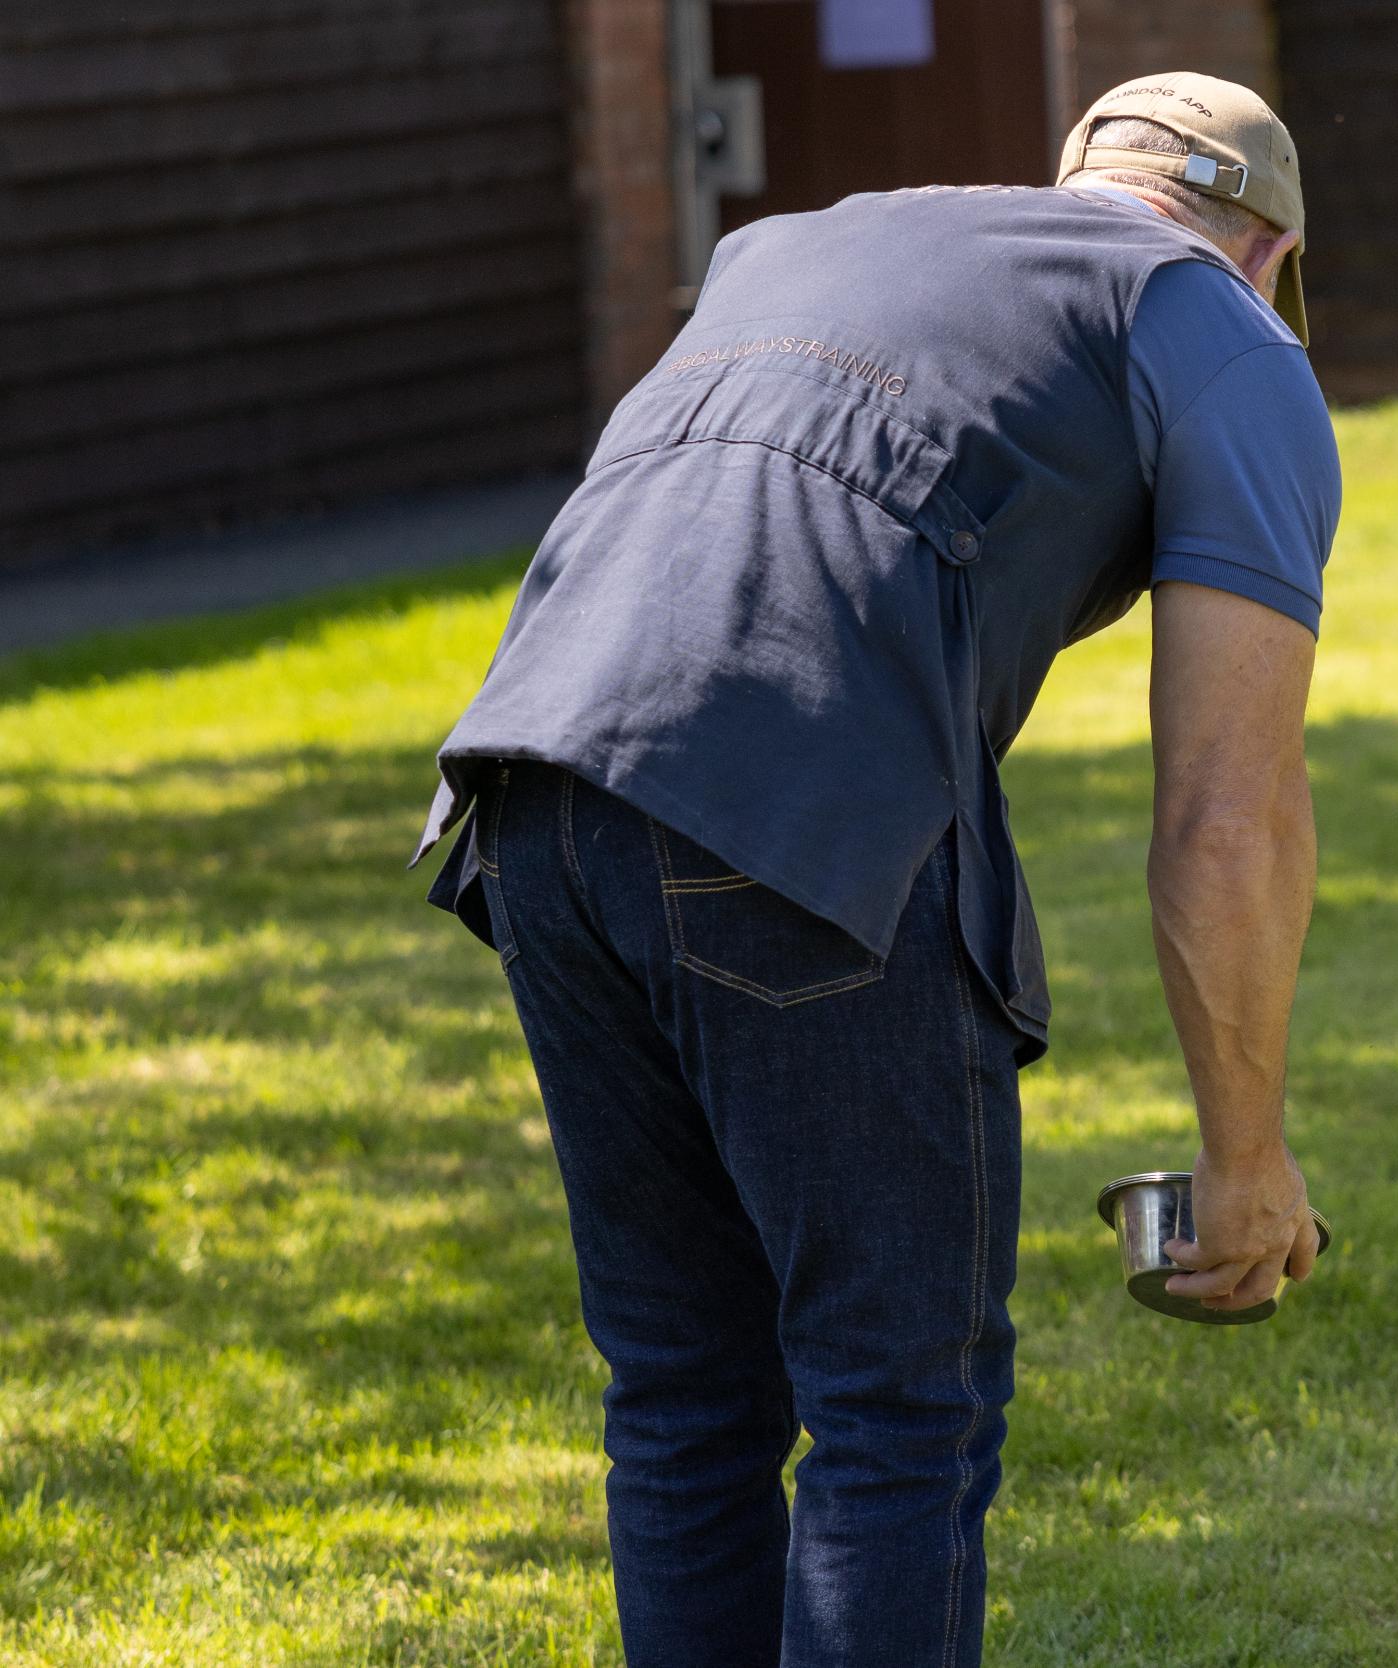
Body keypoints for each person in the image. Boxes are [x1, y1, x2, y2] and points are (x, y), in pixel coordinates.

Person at [407, 72, 1338, 1668]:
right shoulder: (1223, 335)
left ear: (1068, 190)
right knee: (897, 1404)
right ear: (1266, 256)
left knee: (689, 1392)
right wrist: (1244, 1162)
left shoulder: (812, 245)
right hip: (801, 801)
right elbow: (1224, 819)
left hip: (533, 784)